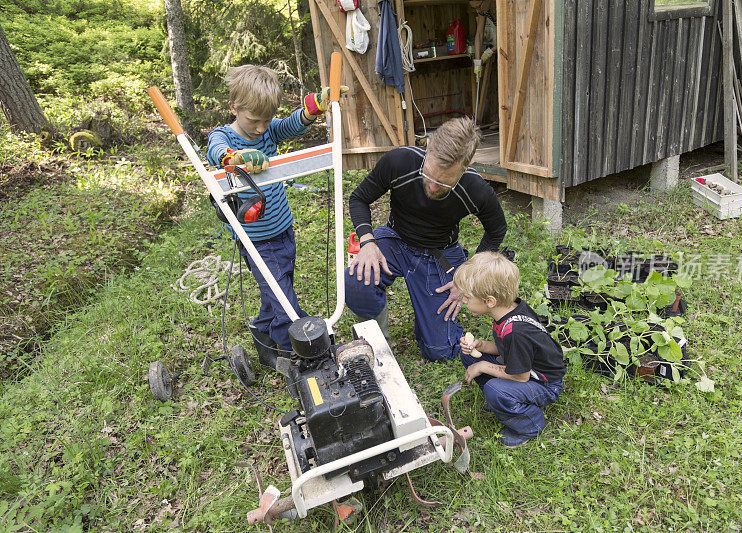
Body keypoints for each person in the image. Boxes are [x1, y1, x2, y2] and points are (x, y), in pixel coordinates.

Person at [207, 64, 346, 368]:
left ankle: (263, 335)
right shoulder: (224, 136)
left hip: (283, 229)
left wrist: (314, 107)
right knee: (284, 300)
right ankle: (302, 355)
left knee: (280, 286)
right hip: (255, 239)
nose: (260, 128)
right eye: (253, 120)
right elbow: (215, 150)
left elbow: (290, 126)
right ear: (234, 107)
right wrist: (236, 158)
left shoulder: (268, 129)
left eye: (266, 120)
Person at [346, 117, 507, 362]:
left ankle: (434, 324)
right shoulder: (399, 161)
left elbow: (496, 231)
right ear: (428, 146)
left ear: (467, 165)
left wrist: (466, 277)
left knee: (441, 352)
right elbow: (359, 198)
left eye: (443, 182)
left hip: (439, 253)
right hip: (395, 238)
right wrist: (367, 242)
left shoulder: (476, 190)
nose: (432, 187)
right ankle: (378, 342)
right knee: (358, 280)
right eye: (429, 175)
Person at [454, 252, 565, 448]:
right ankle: (505, 400)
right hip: (522, 367)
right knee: (470, 357)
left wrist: (483, 365)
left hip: (545, 383)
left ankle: (529, 424)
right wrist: (480, 345)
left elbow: (521, 376)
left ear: (489, 301)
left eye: (466, 297)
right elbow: (503, 348)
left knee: (494, 388)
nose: (463, 300)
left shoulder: (516, 332)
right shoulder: (509, 311)